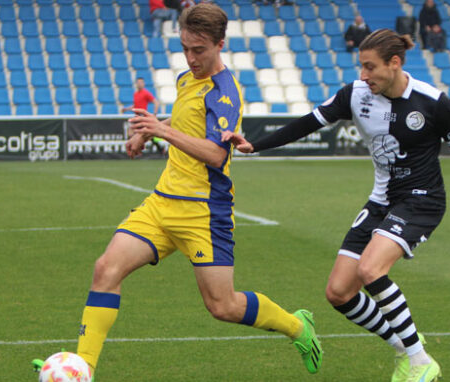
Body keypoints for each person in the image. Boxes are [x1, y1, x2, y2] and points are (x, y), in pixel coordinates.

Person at [32, 3, 322, 378]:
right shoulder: (188, 80)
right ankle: (82, 368)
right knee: (106, 269)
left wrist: (160, 130)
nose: (191, 57)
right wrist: (146, 131)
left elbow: (217, 154)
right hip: (162, 203)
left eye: (199, 50)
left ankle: (297, 326)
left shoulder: (224, 93)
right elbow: (185, 119)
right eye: (185, 47)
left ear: (220, 44)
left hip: (204, 212)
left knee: (223, 305)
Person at [222, 29, 450, 382]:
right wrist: (256, 145)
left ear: (395, 63)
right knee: (338, 292)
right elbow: (307, 123)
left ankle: (421, 361)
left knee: (372, 269)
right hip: (381, 201)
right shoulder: (355, 95)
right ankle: (404, 349)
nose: (363, 75)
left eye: (370, 67)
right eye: (361, 66)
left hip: (422, 201)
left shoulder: (433, 103)